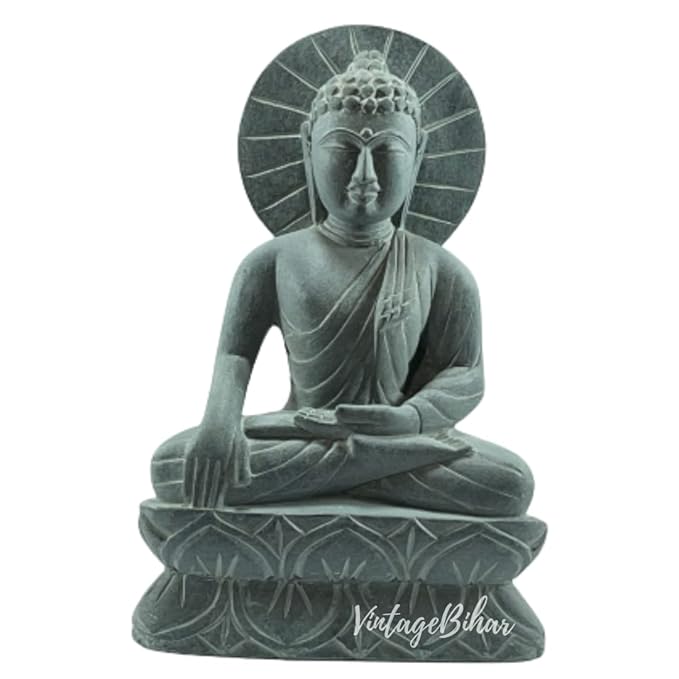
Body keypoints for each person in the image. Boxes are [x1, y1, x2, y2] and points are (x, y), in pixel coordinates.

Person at [151, 51, 533, 516]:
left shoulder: (442, 270)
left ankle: (361, 462)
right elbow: (235, 355)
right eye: (343, 152)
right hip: (302, 430)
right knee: (172, 465)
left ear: (419, 154)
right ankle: (373, 466)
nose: (364, 177)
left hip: (397, 434)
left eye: (387, 154)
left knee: (511, 483)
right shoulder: (270, 262)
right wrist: (219, 423)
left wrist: (407, 418)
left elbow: (465, 372)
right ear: (308, 145)